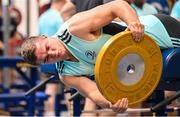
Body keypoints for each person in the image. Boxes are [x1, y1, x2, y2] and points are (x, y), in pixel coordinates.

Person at [19, 0, 180, 114]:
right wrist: (111, 103)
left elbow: (117, 6)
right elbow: (94, 93)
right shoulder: (66, 73)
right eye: (47, 58)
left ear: (45, 36)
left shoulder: (74, 29)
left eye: (47, 48)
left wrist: (133, 22)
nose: (52, 54)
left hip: (161, 33)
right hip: (144, 57)